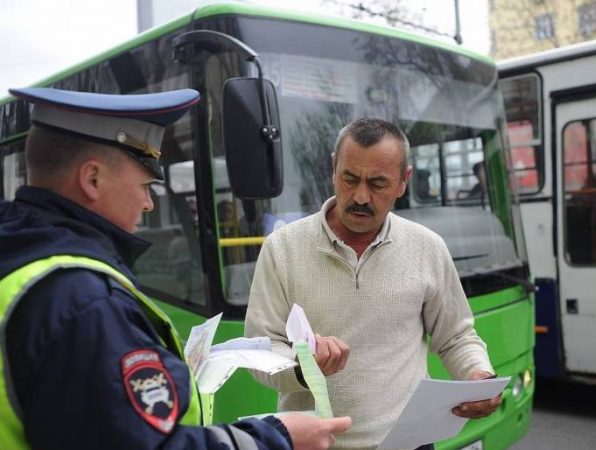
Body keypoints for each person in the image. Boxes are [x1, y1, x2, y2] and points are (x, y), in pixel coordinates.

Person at [0, 87, 350, 450]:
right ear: (93, 179)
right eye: (144, 185)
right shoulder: (83, 300)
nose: (149, 203)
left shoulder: (20, 260)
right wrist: (275, 438)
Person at [244, 118, 500, 450]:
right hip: (314, 444)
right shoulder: (282, 248)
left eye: (378, 183)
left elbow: (455, 337)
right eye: (350, 178)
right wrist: (303, 366)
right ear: (334, 168)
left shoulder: (428, 247)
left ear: (404, 181)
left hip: (409, 444)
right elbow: (260, 350)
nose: (361, 196)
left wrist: (477, 376)